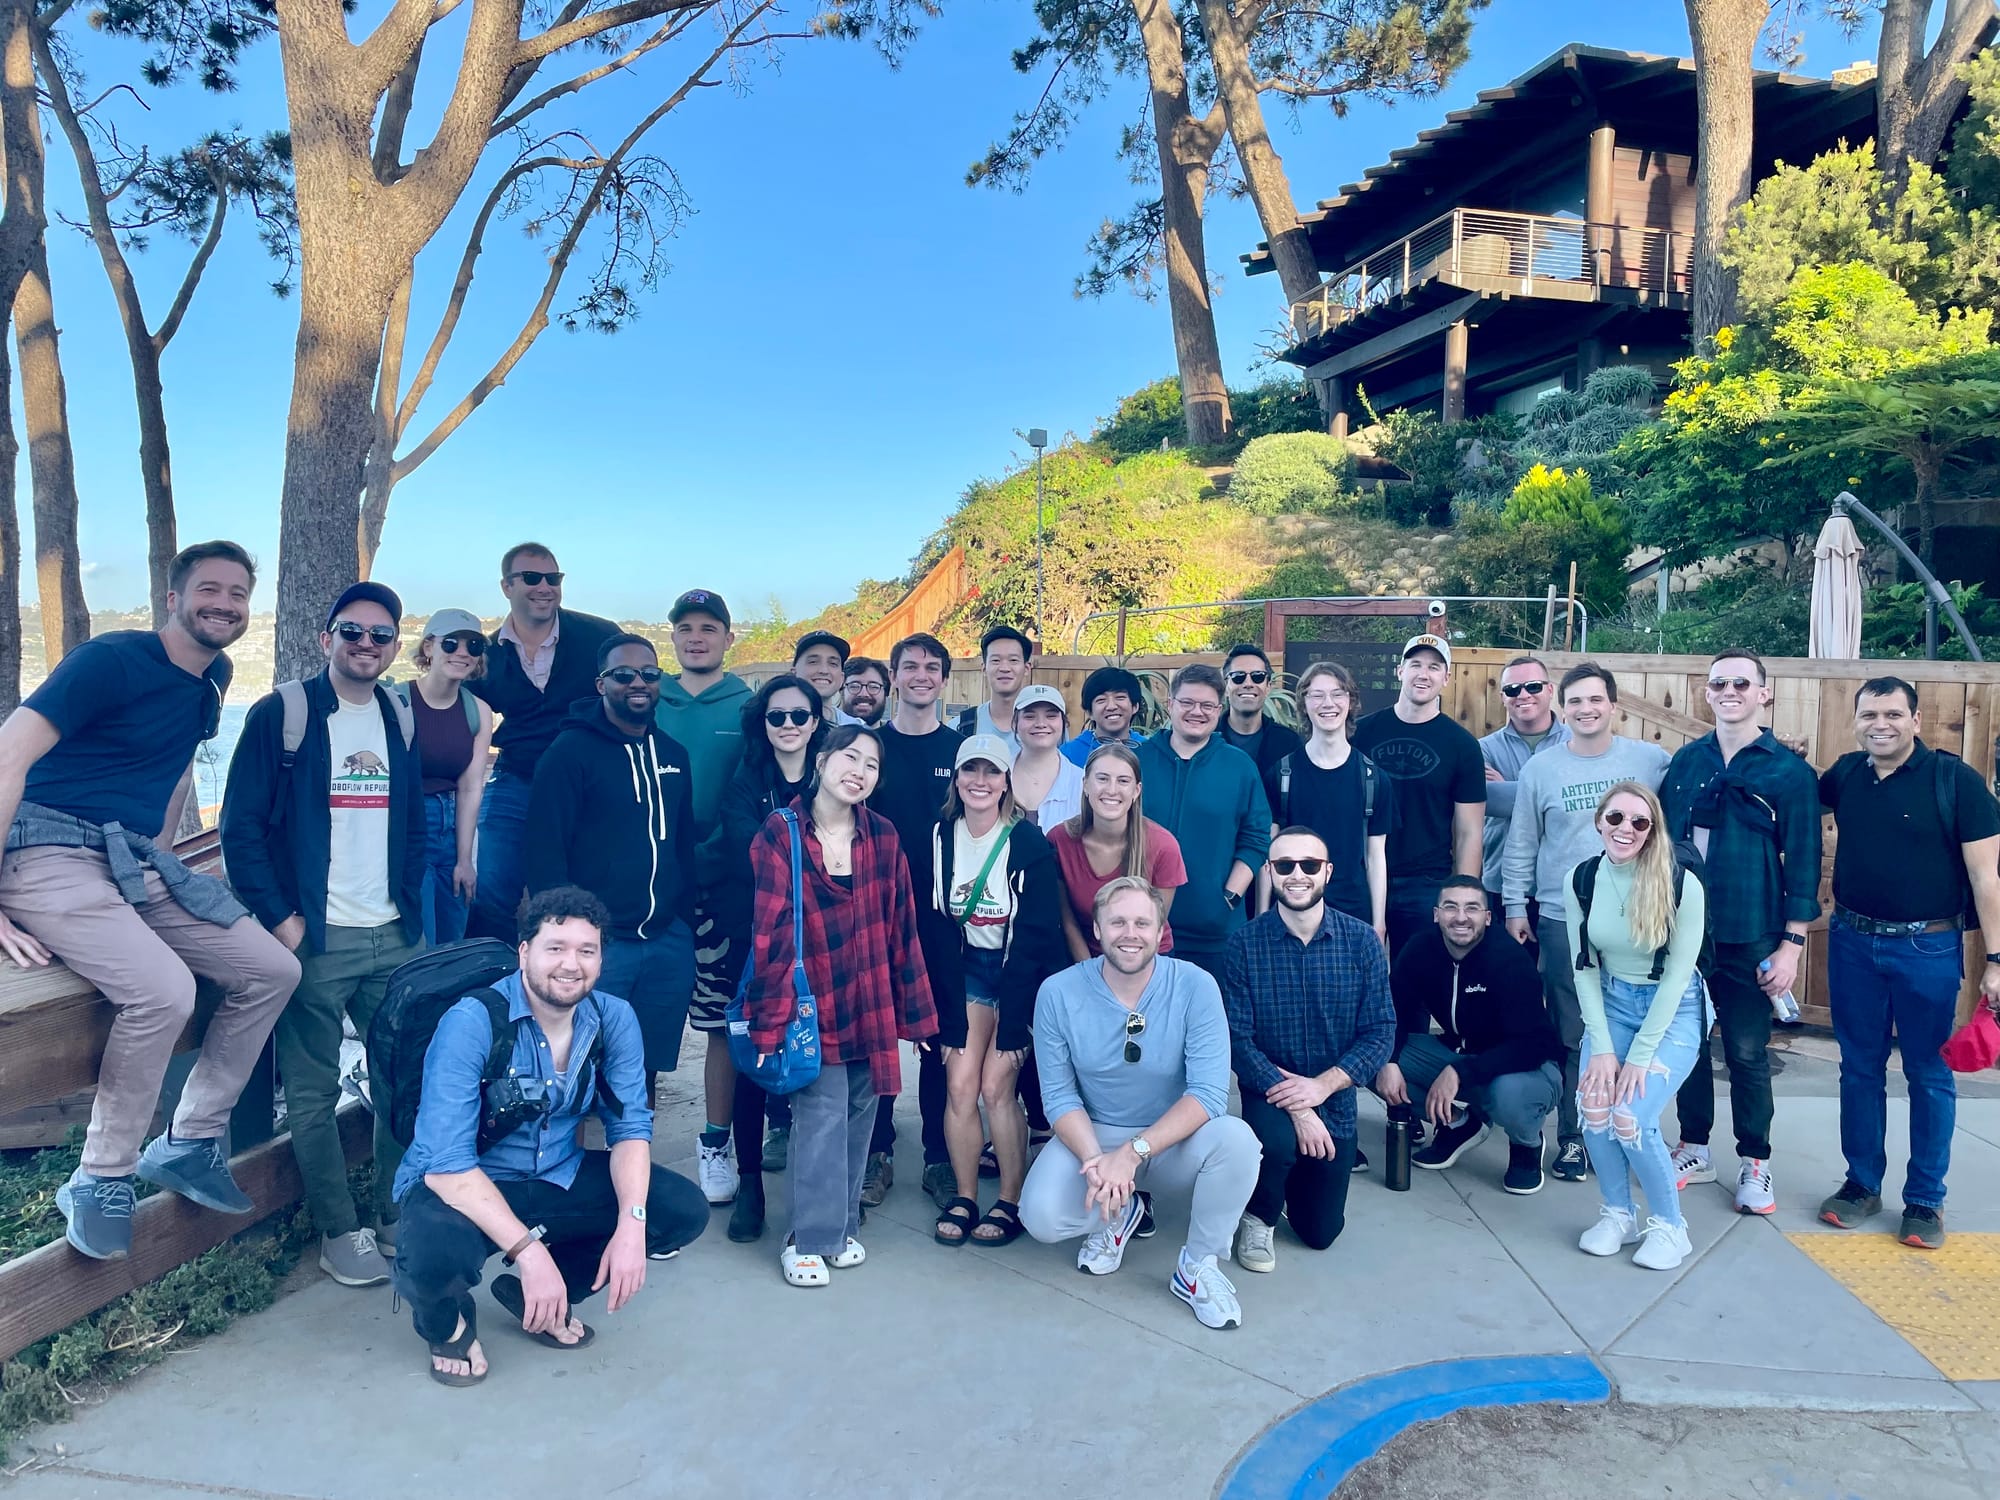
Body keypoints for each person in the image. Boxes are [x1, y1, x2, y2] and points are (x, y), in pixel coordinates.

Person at [0, 541, 299, 1263]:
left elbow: (172, 773)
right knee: (163, 991)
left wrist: (160, 859)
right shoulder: (109, 661)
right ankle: (100, 1177)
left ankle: (189, 1141)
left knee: (273, 970)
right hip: (47, 849)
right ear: (173, 597)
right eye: (209, 589)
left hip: (133, 859)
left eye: (237, 593)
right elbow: (10, 752)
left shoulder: (213, 679)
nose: (224, 604)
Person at [390, 885, 709, 1386]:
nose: (570, 964)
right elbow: (448, 1167)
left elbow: (630, 1130)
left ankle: (537, 1295)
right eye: (555, 948)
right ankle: (446, 1324)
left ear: (601, 959)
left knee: (680, 1211)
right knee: (430, 1257)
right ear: (524, 953)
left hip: (556, 1174)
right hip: (467, 1184)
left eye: (587, 950)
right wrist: (530, 1252)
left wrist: (633, 1224)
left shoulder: (612, 1018)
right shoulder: (472, 1022)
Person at [223, 580, 428, 1288]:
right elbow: (240, 830)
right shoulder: (283, 714)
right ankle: (340, 1231)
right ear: (326, 639)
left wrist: (410, 904)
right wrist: (283, 920)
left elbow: (413, 820)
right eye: (352, 631)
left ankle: (396, 1213)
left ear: (394, 647)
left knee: (408, 1078)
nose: (366, 644)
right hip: (315, 939)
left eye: (381, 634)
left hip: (394, 937)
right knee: (311, 1094)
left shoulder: (398, 716)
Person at [741, 724, 939, 1287]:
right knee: (820, 1118)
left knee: (859, 1116)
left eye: (872, 765)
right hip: (810, 1002)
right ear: (822, 761)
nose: (860, 771)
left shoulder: (883, 835)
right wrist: (769, 1022)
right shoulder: (781, 831)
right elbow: (769, 933)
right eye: (850, 758)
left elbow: (902, 925)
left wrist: (915, 1015)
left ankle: (840, 1227)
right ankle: (804, 1239)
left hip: (870, 997)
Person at [1020, 878, 1261, 1330]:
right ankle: (1118, 1214)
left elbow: (1209, 1093)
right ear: (1097, 929)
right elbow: (1059, 1096)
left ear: (1160, 931)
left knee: (1238, 1141)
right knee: (1041, 1217)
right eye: (1117, 922)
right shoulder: (1057, 992)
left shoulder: (1196, 986)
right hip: (1097, 1135)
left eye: (1141, 923)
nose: (1130, 934)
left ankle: (1197, 1266)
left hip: (1173, 1140)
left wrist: (1131, 1155)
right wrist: (1097, 1161)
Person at [1817, 677, 2000, 1251]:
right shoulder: (1846, 774)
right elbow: (1795, 801)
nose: (1881, 725)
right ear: (1856, 721)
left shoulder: (1955, 781)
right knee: (1859, 1067)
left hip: (1928, 949)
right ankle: (1861, 1185)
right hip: (1852, 942)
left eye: (1894, 714)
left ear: (1916, 720)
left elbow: (1987, 878)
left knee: (1928, 1071)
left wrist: (1997, 959)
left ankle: (1924, 1199)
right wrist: (1788, 754)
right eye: (1870, 714)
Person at [1659, 649, 1822, 1216]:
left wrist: (1791, 945)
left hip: (1752, 931)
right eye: (1719, 683)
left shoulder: (1789, 773)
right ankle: (1694, 1147)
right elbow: (1663, 846)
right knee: (1686, 1047)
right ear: (1707, 692)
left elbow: (1804, 860)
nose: (1729, 691)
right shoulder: (1687, 762)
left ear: (1763, 693)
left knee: (1747, 1053)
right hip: (1685, 932)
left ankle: (1756, 1161)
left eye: (1741, 683)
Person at [1501, 662, 1669, 1185]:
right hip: (1562, 917)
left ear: (1613, 705)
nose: (1586, 709)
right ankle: (1577, 1136)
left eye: (1595, 699)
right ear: (1562, 707)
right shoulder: (1542, 769)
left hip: (1636, 915)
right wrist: (1514, 906)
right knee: (1576, 1032)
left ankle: (1630, 1129)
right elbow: (1523, 843)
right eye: (1575, 701)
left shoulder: (1649, 761)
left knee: (1634, 1030)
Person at [522, 634, 696, 1116]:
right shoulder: (569, 752)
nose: (638, 683)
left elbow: (683, 843)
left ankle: (635, 1159)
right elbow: (544, 849)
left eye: (649, 674)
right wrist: (568, 936)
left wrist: (683, 918)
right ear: (602, 684)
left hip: (666, 941)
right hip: (600, 944)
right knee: (577, 1068)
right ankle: (574, 1162)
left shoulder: (674, 755)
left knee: (643, 1070)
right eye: (624, 675)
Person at [1222, 828, 1393, 1272]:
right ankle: (1259, 1215)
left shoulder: (1362, 942)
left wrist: (1322, 1088)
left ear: (1328, 872)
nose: (1297, 874)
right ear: (1269, 872)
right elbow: (1237, 1039)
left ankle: (1288, 1186)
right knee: (1276, 1145)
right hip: (1269, 1092)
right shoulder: (1244, 944)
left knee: (1320, 1233)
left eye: (1309, 865)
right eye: (1285, 865)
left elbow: (1380, 1031)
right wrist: (1299, 1106)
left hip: (1334, 1098)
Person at [926, 735, 1065, 1247]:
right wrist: (943, 1014)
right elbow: (936, 926)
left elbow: (1037, 937)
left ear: (1007, 781)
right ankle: (966, 1195)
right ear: (957, 777)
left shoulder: (1027, 843)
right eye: (970, 770)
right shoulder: (941, 835)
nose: (980, 781)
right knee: (960, 1085)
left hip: (1016, 973)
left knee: (996, 1087)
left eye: (991, 772)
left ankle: (1011, 1198)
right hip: (967, 970)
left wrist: (1015, 1024)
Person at [1568, 782, 1708, 1272]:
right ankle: (1618, 1214)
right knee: (1594, 1105)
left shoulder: (1681, 884)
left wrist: (1641, 1056)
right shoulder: (1582, 879)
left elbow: (1677, 977)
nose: (1626, 829)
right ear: (1599, 822)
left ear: (1653, 830)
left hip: (1674, 1009)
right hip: (1611, 1001)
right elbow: (1583, 969)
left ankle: (1671, 1226)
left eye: (1639, 821)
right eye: (1616, 818)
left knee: (1631, 1116)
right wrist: (1603, 1046)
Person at [714, 673, 826, 1239]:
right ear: (763, 724)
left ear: (815, 721)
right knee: (755, 1057)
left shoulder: (831, 775)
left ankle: (816, 1187)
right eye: (776, 716)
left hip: (824, 937)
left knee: (820, 1059)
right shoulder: (745, 781)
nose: (788, 725)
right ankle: (751, 1183)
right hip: (760, 935)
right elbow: (747, 849)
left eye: (799, 715)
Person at [652, 590, 754, 1211]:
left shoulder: (746, 706)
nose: (696, 637)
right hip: (651, 888)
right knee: (640, 1019)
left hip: (720, 885)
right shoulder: (648, 697)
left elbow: (747, 791)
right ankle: (627, 1148)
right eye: (685, 628)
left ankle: (717, 1140)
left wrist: (711, 856)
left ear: (728, 638)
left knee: (720, 1020)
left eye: (708, 628)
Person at [467, 544, 619, 939]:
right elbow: (459, 712)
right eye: (532, 578)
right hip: (516, 777)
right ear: (507, 586)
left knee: (583, 890)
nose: (544, 587)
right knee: (488, 887)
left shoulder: (599, 637)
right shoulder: (486, 653)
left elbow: (635, 690)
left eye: (553, 578)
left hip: (585, 783)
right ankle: (497, 970)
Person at [865, 632, 963, 1209]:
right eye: (910, 666)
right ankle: (875, 1151)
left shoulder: (962, 750)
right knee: (876, 1034)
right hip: (876, 914)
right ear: (894, 677)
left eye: (931, 667)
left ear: (944, 679)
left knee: (938, 1039)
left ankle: (938, 1155)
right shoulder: (870, 747)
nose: (921, 675)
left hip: (944, 916)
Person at [1384, 879, 1563, 1195]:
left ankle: (1526, 1144)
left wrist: (1459, 1072)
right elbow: (1392, 1012)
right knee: (1371, 1058)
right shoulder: (1420, 949)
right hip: (1461, 1054)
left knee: (1508, 1094)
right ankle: (1458, 1124)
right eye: (1451, 907)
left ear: (1488, 917)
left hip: (1525, 1068)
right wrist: (1390, 1060)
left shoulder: (1509, 959)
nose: (1461, 917)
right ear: (1436, 914)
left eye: (1472, 908)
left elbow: (1533, 1044)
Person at [1352, 633, 1486, 960]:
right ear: (1400, 671)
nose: (1423, 674)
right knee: (1354, 976)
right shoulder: (1360, 734)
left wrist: (1463, 896)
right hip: (1361, 875)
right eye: (1415, 665)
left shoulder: (1462, 746)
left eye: (1434, 667)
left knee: (1416, 982)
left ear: (1446, 678)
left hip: (1426, 883)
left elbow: (1469, 831)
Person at [1135, 663, 1271, 981]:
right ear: (1170, 704)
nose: (1197, 712)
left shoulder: (1239, 766)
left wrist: (1229, 897)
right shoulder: (1139, 761)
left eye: (1207, 705)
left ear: (1219, 710)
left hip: (1216, 935)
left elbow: (1256, 838)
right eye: (1187, 702)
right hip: (1142, 928)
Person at [1265, 660, 1390, 939]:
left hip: (1354, 915)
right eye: (1317, 695)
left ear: (1351, 701)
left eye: (1337, 694)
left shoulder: (1373, 778)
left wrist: (1379, 922)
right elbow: (1268, 853)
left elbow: (1375, 857)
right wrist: (1262, 913)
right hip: (1291, 913)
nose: (1328, 703)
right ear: (1304, 703)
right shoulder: (1282, 775)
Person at [399, 608, 495, 945]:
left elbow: (470, 788)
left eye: (473, 646)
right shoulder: (397, 701)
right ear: (428, 647)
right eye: (451, 643)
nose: (462, 653)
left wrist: (464, 860)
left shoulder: (478, 711)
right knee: (418, 939)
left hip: (454, 825)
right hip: (409, 823)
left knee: (452, 936)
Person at [1048, 743, 1187, 961]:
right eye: (1102, 779)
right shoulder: (1059, 840)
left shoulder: (1163, 846)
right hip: (1084, 959)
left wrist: (1121, 977)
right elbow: (1068, 923)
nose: (1112, 790)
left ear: (1136, 791)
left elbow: (1152, 927)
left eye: (1123, 781)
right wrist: (1089, 972)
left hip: (1147, 958)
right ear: (1085, 785)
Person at [1478, 655, 1570, 905]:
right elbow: (1488, 800)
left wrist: (1507, 787)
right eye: (1512, 689)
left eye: (1533, 686)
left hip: (1564, 885)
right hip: (1500, 882)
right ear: (1502, 697)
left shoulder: (1576, 743)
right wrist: (1555, 792)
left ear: (1550, 690)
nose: (1523, 695)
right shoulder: (1481, 749)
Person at [1219, 643, 1302, 790]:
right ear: (1225, 687)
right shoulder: (1206, 739)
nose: (1248, 684)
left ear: (1268, 687)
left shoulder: (1289, 743)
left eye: (1258, 677)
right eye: (1238, 677)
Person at [1009, 683, 1085, 830]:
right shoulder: (997, 777)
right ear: (1014, 724)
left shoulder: (1082, 783)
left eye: (1051, 716)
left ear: (1064, 723)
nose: (1041, 724)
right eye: (1030, 716)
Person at [955, 624, 1034, 749]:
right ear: (984, 668)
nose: (1004, 668)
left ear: (1026, 668)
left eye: (1013, 660)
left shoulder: (1047, 729)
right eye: (996, 660)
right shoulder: (961, 726)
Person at [1063, 665, 1149, 766]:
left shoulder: (1150, 752)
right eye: (1101, 700)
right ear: (1089, 712)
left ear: (1135, 706)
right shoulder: (1068, 755)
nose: (1111, 706)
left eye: (1120, 697)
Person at [792, 630, 850, 722]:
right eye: (813, 662)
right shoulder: (773, 724)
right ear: (794, 672)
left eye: (833, 663)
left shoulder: (856, 728)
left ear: (842, 678)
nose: (824, 671)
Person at [840, 657, 890, 727]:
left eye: (873, 687)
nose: (863, 694)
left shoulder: (897, 734)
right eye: (854, 686)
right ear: (841, 691)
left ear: (886, 693)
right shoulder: (827, 733)